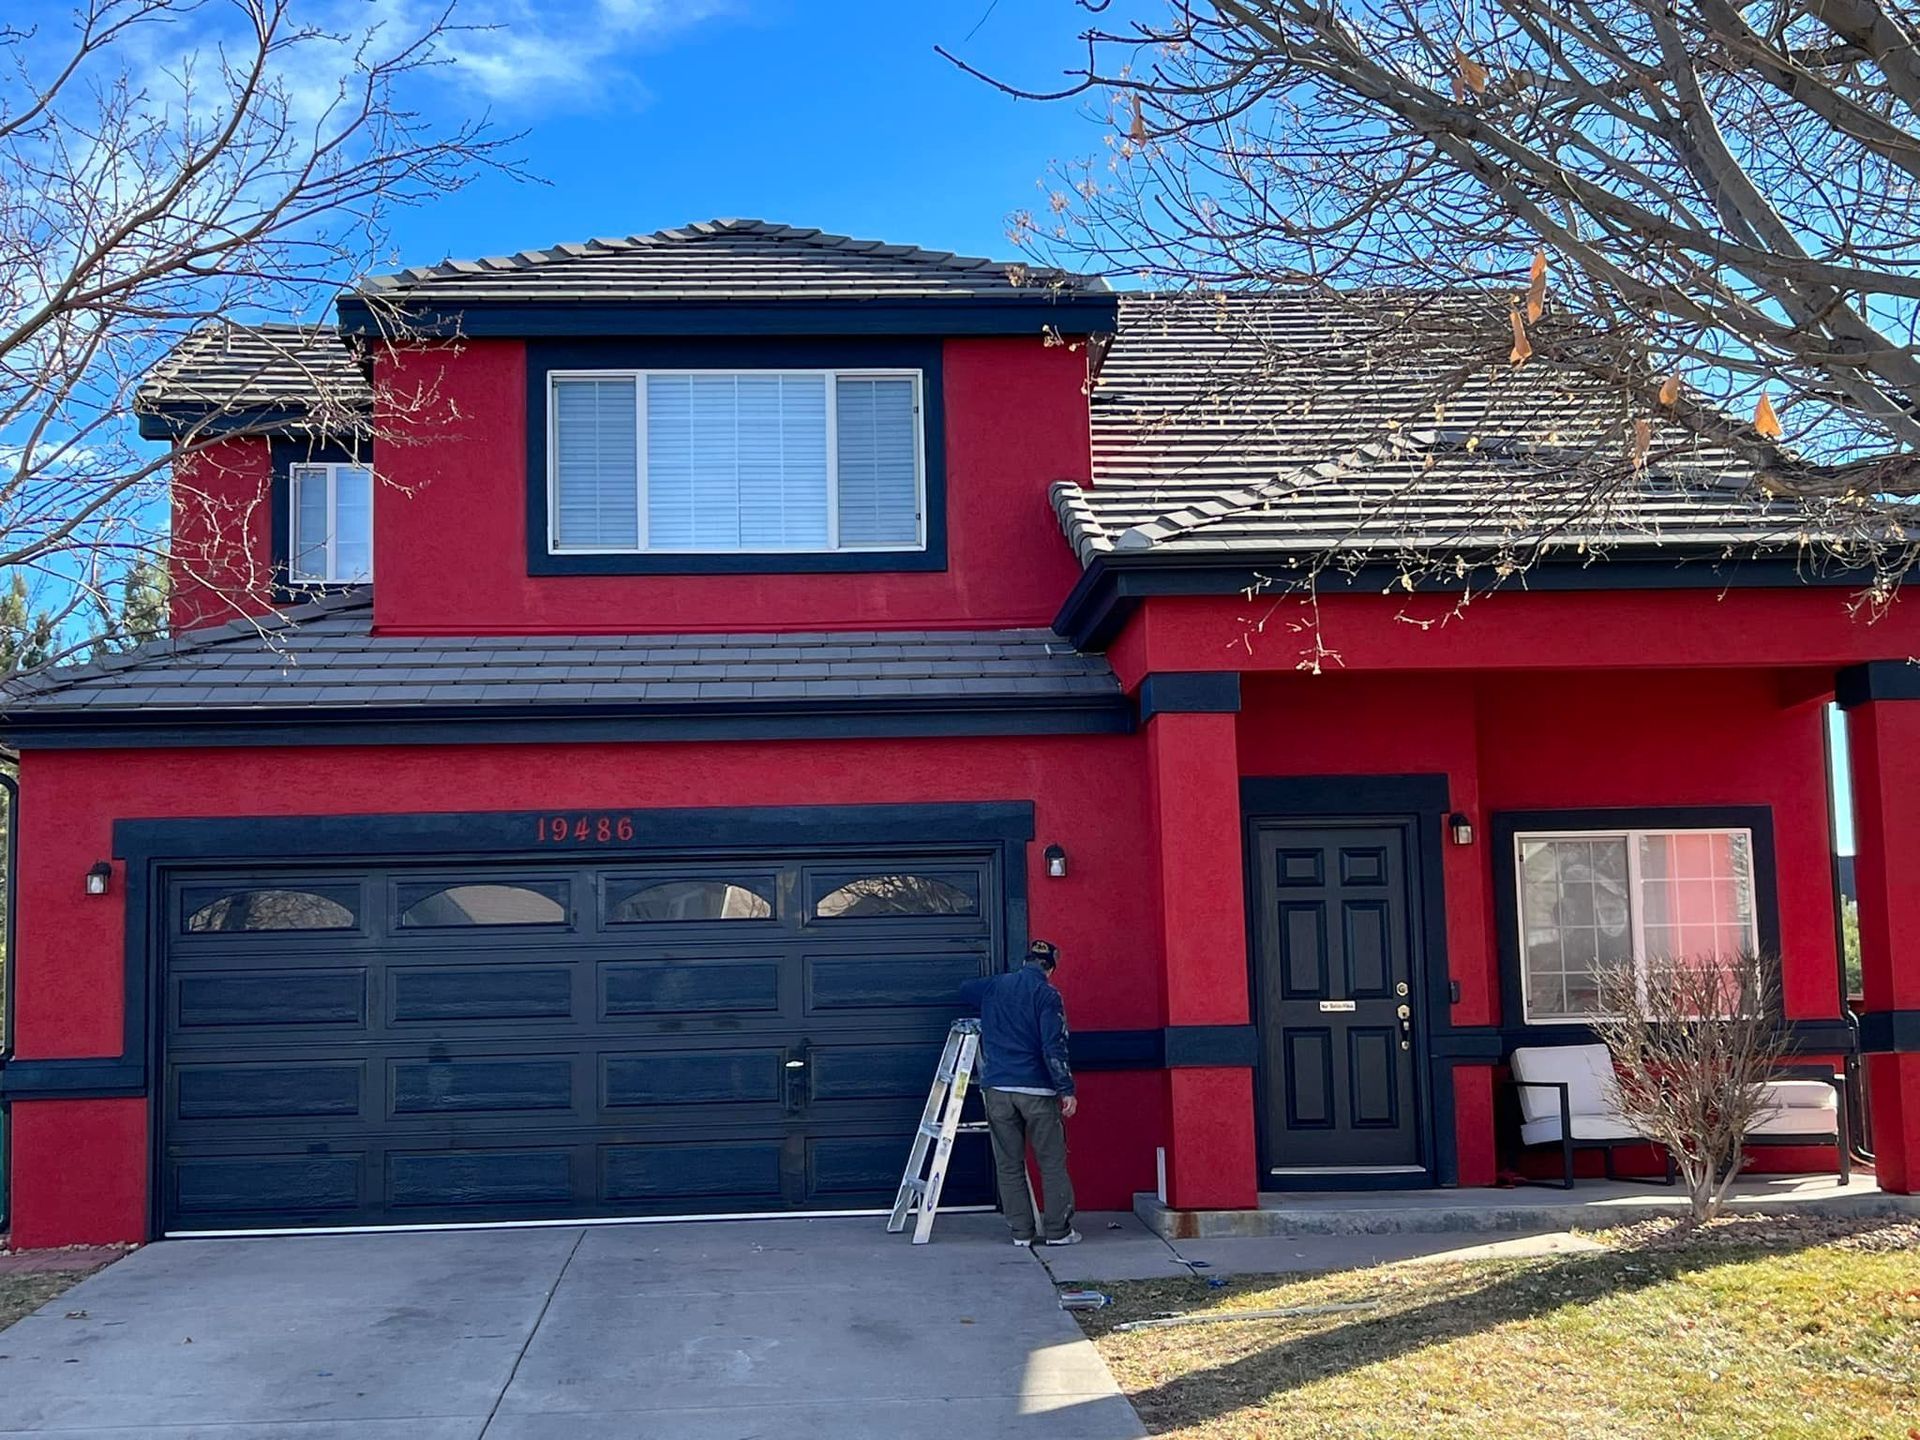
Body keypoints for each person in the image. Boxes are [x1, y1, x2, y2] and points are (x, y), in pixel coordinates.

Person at [959, 939, 1079, 1248]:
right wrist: (1066, 1088)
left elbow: (964, 989)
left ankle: (1021, 1233)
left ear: (1025, 961)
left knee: (1008, 1164)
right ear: (1050, 968)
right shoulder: (1047, 995)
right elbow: (1053, 1046)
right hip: (1036, 1090)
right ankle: (1058, 1231)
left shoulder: (995, 986)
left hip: (998, 1088)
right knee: (1050, 1162)